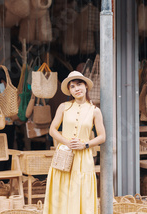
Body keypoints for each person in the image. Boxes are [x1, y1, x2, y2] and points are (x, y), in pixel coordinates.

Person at [43, 71, 106, 214]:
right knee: (62, 188)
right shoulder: (63, 107)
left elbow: (102, 137)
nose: (76, 88)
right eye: (72, 86)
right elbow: (52, 130)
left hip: (84, 157)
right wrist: (66, 142)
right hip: (64, 155)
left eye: (79, 84)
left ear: (85, 86)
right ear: (70, 91)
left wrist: (86, 144)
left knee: (82, 190)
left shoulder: (95, 110)